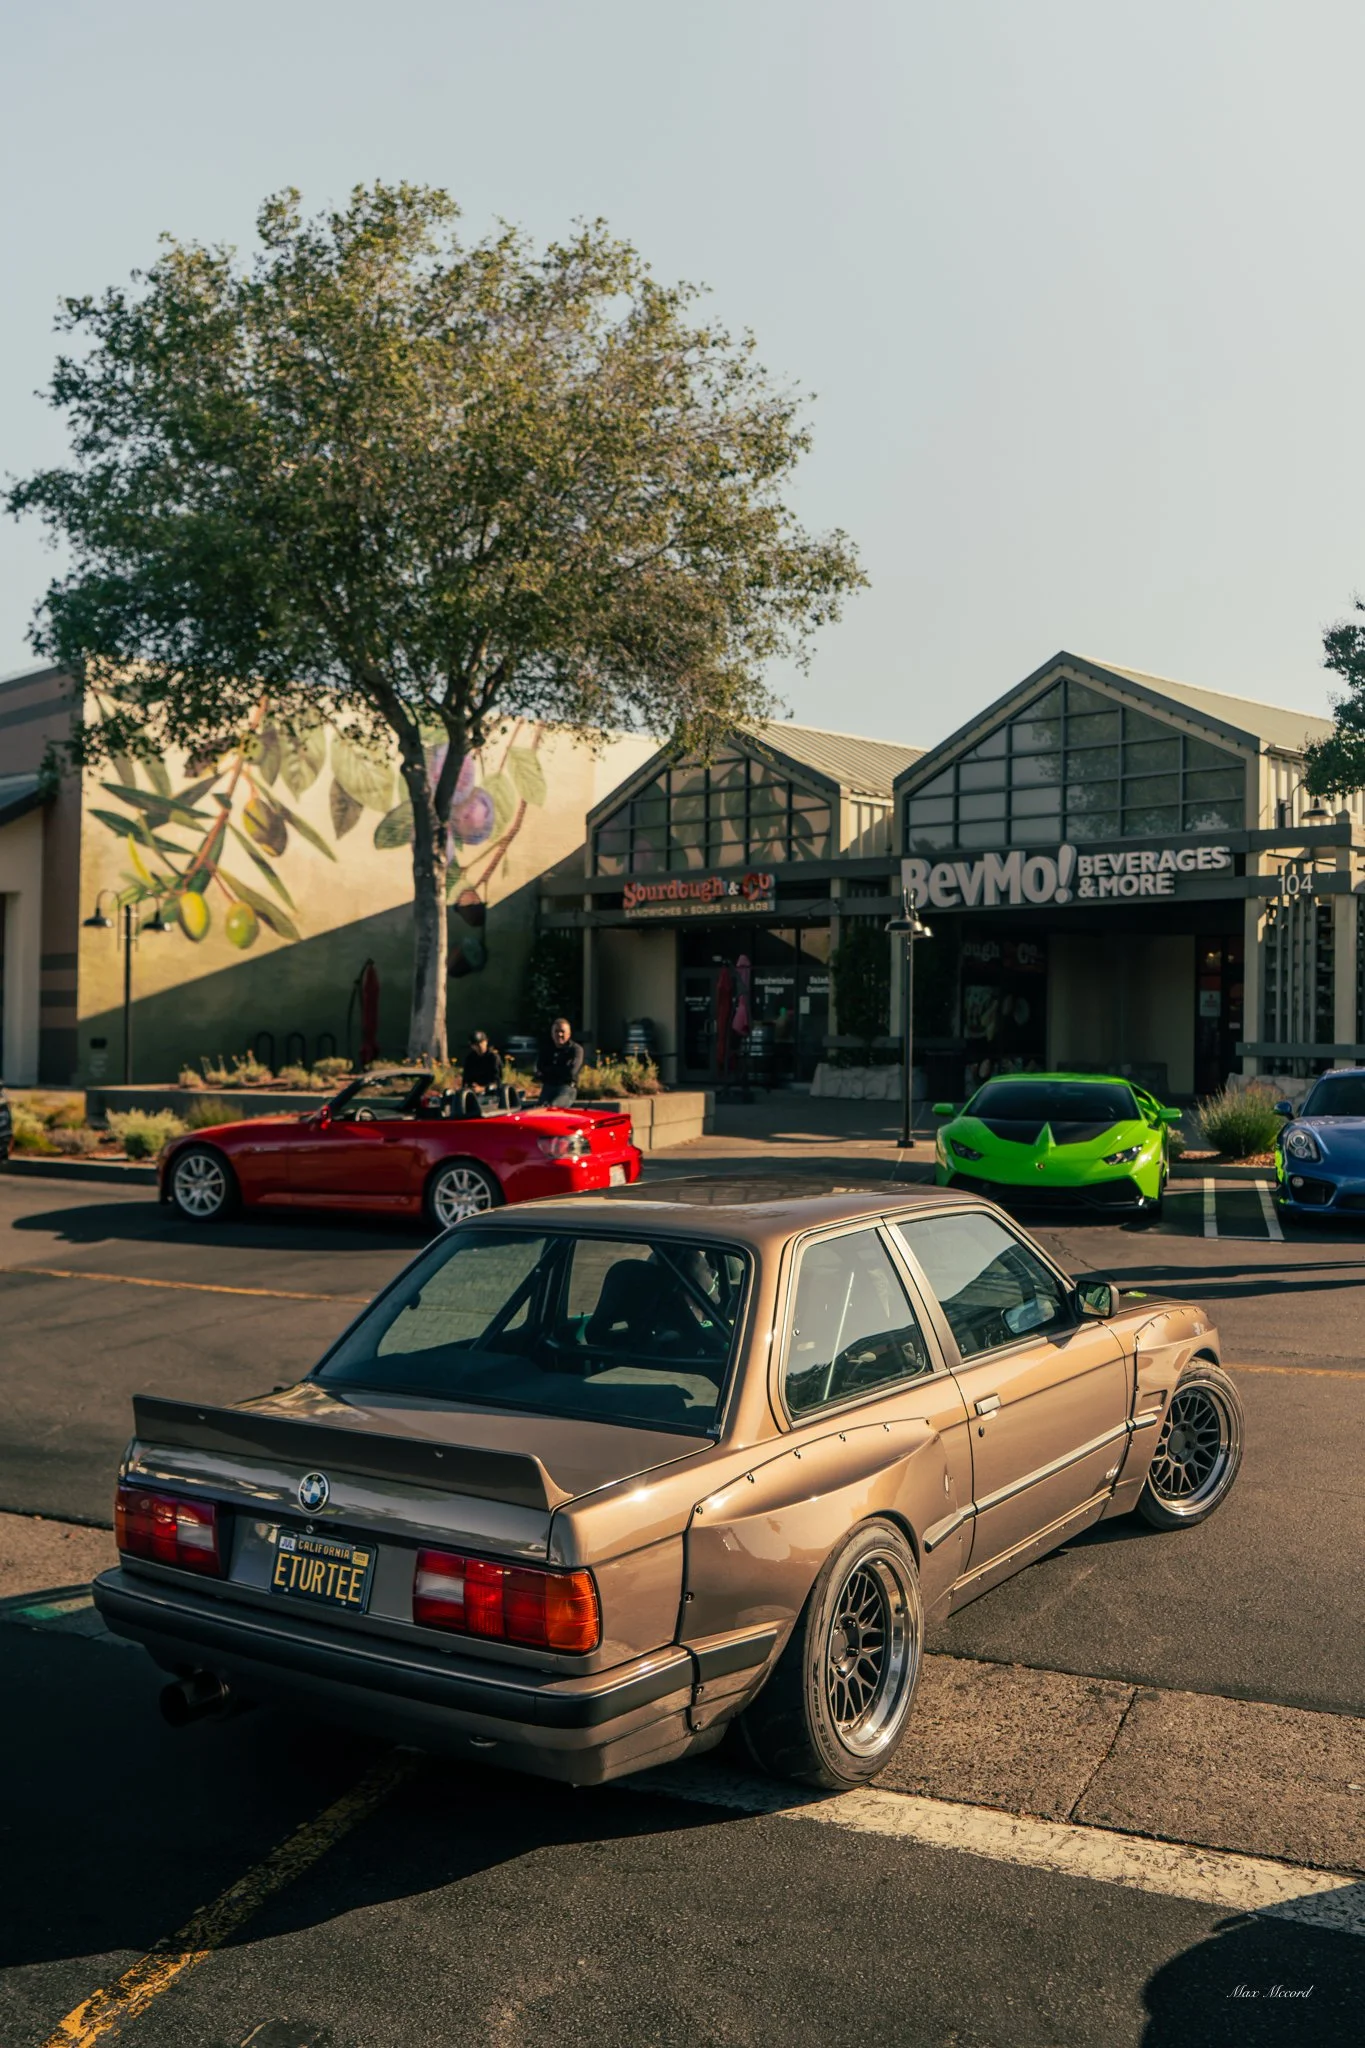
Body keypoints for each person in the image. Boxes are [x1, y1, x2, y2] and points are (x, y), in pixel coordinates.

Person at [536, 1017, 585, 1108]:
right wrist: (560, 1069)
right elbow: (539, 1068)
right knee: (539, 1110)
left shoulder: (576, 1050)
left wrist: (549, 1070)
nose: (559, 1034)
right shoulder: (547, 1049)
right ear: (552, 1034)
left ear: (569, 1034)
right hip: (548, 1087)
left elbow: (571, 1072)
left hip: (566, 1088)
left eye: (562, 1031)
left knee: (553, 1108)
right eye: (556, 1031)